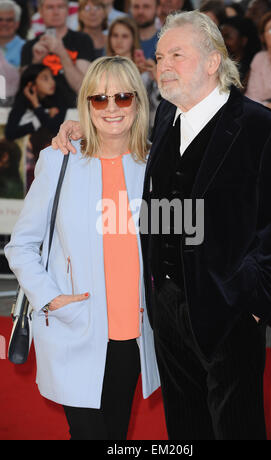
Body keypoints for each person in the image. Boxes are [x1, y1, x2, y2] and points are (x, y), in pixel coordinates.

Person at [52, 11, 271, 440]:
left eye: (177, 55)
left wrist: (252, 305)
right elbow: (118, 132)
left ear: (212, 61)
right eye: (161, 54)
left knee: (236, 429)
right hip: (165, 315)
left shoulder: (265, 130)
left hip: (230, 315)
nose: (163, 63)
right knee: (184, 433)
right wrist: (77, 124)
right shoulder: (166, 118)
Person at [4, 56, 160, 441]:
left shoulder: (154, 165)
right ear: (85, 105)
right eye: (98, 99)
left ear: (137, 103)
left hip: (135, 334)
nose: (110, 108)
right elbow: (21, 244)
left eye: (122, 98)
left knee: (115, 436)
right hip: (75, 327)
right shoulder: (60, 160)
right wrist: (49, 297)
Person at [21, 0, 95, 108]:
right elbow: (25, 91)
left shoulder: (82, 40)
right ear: (40, 11)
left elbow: (82, 88)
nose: (56, 12)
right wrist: (36, 62)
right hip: (40, 112)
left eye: (60, 7)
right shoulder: (29, 46)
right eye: (50, 7)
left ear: (68, 10)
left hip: (73, 110)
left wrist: (62, 53)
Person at [5, 64, 67, 188]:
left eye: (51, 77)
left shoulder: (59, 99)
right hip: (32, 163)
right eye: (45, 78)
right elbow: (10, 133)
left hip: (56, 163)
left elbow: (53, 128)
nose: (51, 82)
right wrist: (39, 114)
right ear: (31, 85)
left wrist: (37, 107)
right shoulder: (22, 102)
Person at [107, 16, 160, 132]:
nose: (119, 41)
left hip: (141, 130)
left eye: (125, 36)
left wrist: (156, 77)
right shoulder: (101, 70)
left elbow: (155, 106)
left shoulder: (146, 71)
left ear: (133, 39)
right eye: (115, 35)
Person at [220, 16, 261, 90]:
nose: (222, 42)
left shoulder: (253, 67)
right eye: (220, 37)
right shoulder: (217, 62)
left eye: (227, 37)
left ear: (243, 41)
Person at [0, 0, 25, 68]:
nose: (4, 24)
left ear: (17, 24)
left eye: (9, 20)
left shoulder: (26, 49)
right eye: (0, 19)